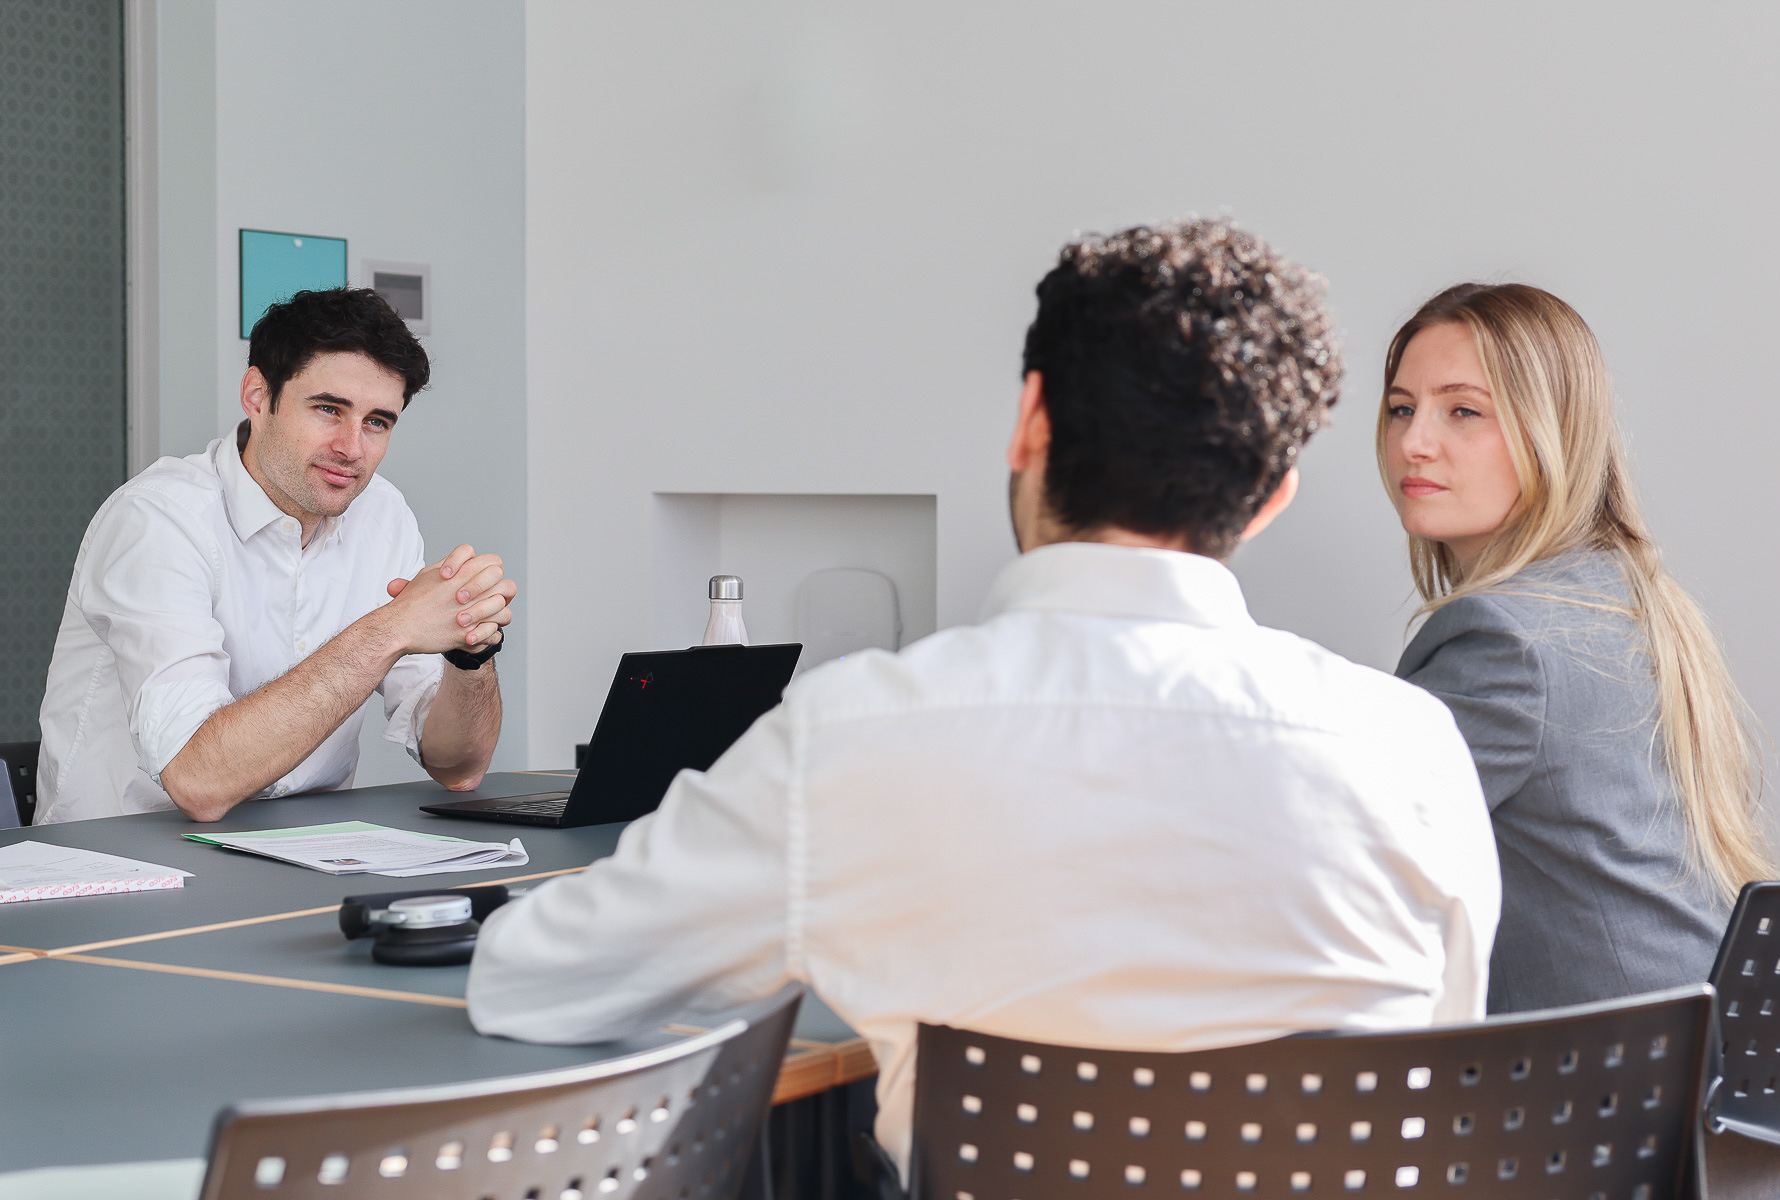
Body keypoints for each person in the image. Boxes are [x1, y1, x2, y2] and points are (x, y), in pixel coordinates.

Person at [467, 218, 1500, 1170]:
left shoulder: (852, 735)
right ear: (1272, 498)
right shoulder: (1414, 749)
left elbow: (534, 980)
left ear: (1028, 422)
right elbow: (1442, 1071)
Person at [1381, 282, 1775, 1014]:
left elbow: (1353, 846)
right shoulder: (1620, 591)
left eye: (1462, 410)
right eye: (1402, 408)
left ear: (1550, 430)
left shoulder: (1504, 637)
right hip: (1711, 1058)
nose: (1414, 441)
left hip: (1616, 1091)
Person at [35, 288, 517, 824]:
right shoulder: (158, 518)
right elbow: (199, 781)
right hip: (119, 866)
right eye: (328, 409)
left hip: (305, 857)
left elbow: (459, 768)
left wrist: (470, 651)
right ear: (257, 397)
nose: (352, 448)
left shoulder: (385, 515)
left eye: (377, 422)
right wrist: (391, 629)